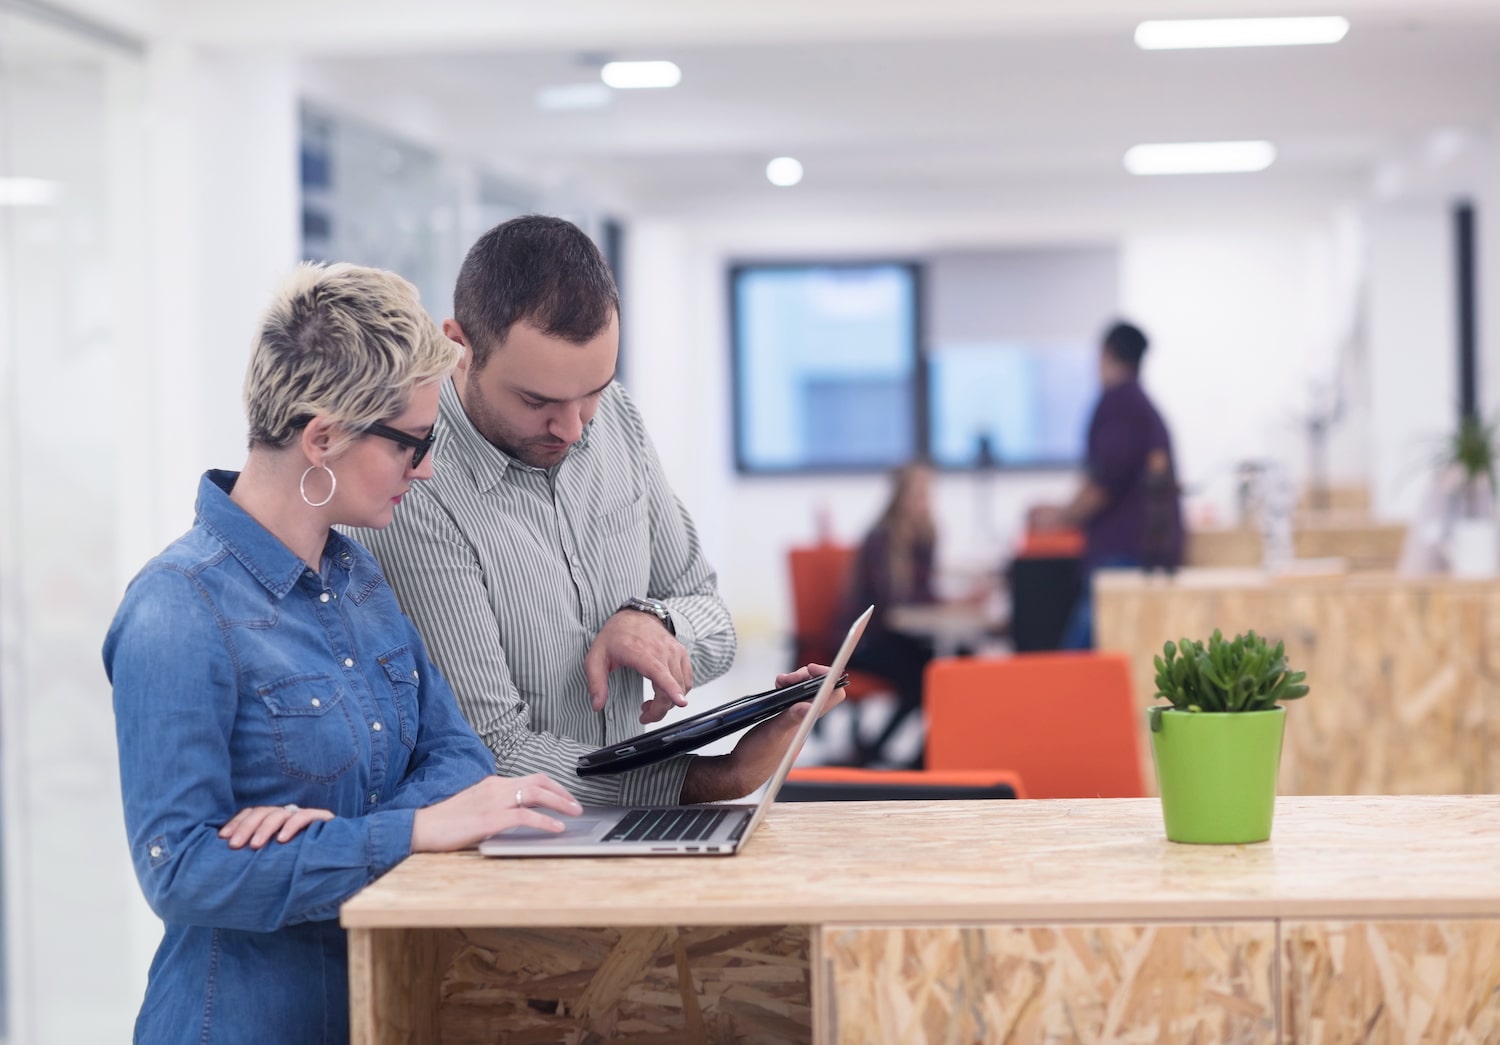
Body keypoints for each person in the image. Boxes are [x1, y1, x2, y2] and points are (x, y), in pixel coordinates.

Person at [102, 263, 585, 1044]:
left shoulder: (357, 576)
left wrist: (330, 832)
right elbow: (183, 872)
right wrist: (409, 832)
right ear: (321, 437)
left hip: (377, 1006)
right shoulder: (176, 609)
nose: (425, 470)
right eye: (411, 445)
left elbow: (459, 757)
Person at [354, 215, 822, 806]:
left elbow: (714, 620)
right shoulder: (414, 489)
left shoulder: (617, 418)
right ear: (460, 346)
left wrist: (652, 622)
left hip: (618, 831)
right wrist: (712, 778)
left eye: (593, 390)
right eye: (537, 401)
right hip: (506, 848)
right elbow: (494, 755)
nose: (573, 429)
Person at [1031, 320, 1183, 648]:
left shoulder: (1118, 404)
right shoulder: (1143, 407)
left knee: (1079, 661)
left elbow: (1103, 485)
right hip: (1144, 551)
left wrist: (1057, 519)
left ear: (1106, 355)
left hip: (1121, 555)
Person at [832, 462, 941, 766]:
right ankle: (885, 752)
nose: (925, 501)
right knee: (925, 676)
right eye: (918, 494)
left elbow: (923, 594)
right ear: (900, 497)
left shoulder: (924, 536)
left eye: (928, 494)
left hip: (895, 638)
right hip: (865, 642)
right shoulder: (881, 539)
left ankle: (915, 753)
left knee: (951, 663)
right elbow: (895, 604)